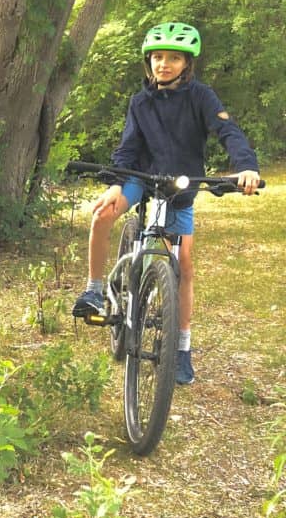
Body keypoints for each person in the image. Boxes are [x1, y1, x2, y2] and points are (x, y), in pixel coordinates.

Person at [71, 21, 260, 385]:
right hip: (141, 178)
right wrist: (114, 183)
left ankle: (181, 349)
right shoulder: (139, 102)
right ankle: (94, 289)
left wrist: (246, 167)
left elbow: (228, 131)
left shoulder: (201, 97)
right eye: (158, 57)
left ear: (187, 64)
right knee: (102, 215)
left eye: (174, 58)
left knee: (184, 265)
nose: (164, 64)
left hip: (178, 187)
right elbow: (128, 147)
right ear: (149, 62)